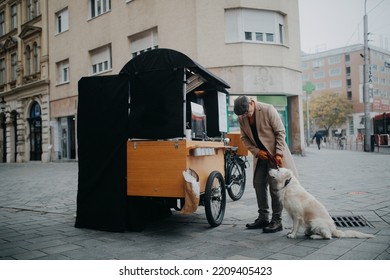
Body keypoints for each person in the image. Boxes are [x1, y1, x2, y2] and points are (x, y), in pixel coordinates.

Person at [234, 96, 298, 233]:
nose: (245, 115)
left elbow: (280, 132)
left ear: (252, 103)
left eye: (246, 112)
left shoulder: (268, 109)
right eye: (242, 114)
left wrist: (279, 153)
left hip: (275, 154)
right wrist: (256, 152)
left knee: (275, 187)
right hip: (260, 155)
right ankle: (263, 217)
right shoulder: (241, 118)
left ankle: (277, 221)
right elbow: (244, 138)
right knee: (258, 183)